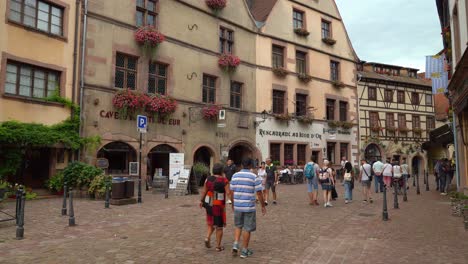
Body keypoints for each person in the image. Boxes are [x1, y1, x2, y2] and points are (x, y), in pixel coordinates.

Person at [230, 158, 266, 258]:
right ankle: (244, 250)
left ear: (241, 165)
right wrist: (263, 206)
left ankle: (236, 244)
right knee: (247, 228)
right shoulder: (254, 177)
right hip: (249, 207)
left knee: (238, 225)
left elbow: (231, 191)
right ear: (251, 165)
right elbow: (259, 192)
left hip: (237, 205)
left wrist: (233, 203)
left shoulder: (235, 176)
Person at [199, 163, 230, 251]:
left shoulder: (208, 179)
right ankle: (218, 246)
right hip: (218, 203)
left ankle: (207, 237)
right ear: (221, 171)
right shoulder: (224, 180)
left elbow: (204, 191)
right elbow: (228, 193)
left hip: (208, 202)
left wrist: (201, 201)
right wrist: (232, 201)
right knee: (219, 226)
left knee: (211, 222)